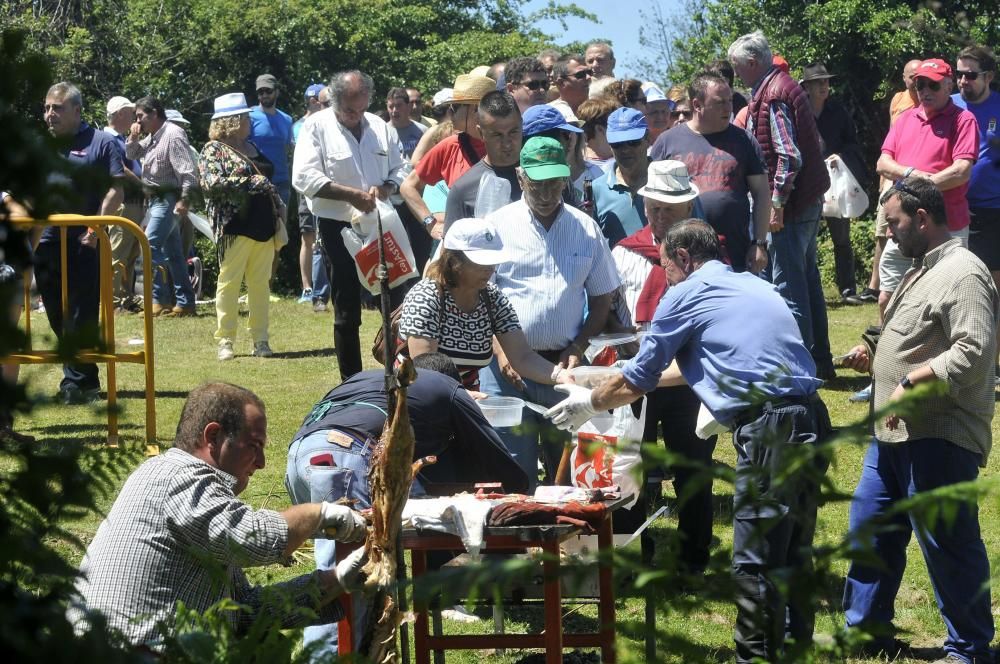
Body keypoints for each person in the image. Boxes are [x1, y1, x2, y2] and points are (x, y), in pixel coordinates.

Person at [545, 218, 830, 663]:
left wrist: (590, 404)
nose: (665, 279)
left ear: (682, 258)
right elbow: (693, 367)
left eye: (666, 268)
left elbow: (641, 376)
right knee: (792, 549)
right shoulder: (752, 285)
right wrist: (604, 384)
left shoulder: (686, 293)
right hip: (810, 415)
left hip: (770, 426)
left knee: (755, 561)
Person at [70, 382, 369, 647]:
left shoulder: (185, 492)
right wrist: (321, 513)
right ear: (212, 436)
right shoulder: (177, 477)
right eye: (254, 446)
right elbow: (252, 538)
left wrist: (337, 579)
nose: (262, 462)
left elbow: (244, 611)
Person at [840, 177, 997, 663]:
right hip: (891, 433)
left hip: (938, 434)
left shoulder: (963, 273)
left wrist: (916, 378)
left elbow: (974, 350)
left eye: (893, 223)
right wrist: (872, 352)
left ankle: (968, 648)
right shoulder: (920, 269)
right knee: (871, 529)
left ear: (922, 219)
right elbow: (913, 331)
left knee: (948, 545)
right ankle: (867, 632)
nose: (887, 234)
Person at [285, 352, 529, 654]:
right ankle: (328, 658)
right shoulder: (451, 390)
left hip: (300, 456)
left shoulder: (366, 380)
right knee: (353, 577)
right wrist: (526, 497)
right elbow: (500, 462)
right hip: (345, 459)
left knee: (338, 575)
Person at [479, 136, 620, 489]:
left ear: (565, 180)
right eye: (536, 184)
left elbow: (603, 297)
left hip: (564, 366)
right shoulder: (497, 226)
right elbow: (480, 294)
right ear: (520, 177)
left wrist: (578, 346)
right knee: (510, 464)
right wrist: (501, 348)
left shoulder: (585, 228)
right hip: (504, 370)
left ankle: (565, 541)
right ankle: (514, 540)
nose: (545, 194)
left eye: (553, 184)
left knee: (568, 467)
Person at [610, 162, 718, 573]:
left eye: (669, 211)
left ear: (689, 208)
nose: (659, 218)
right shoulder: (624, 252)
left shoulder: (708, 257)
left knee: (692, 466)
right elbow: (612, 307)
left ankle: (693, 554)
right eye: (654, 209)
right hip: (638, 369)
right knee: (628, 462)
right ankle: (633, 549)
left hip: (687, 375)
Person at [728, 30, 833, 378]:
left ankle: (797, 370)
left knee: (790, 286)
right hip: (806, 199)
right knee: (808, 281)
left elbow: (789, 156)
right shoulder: (783, 84)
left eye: (738, 66)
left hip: (793, 203)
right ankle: (820, 362)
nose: (737, 74)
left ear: (753, 63)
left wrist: (777, 202)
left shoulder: (772, 94)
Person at [292, 70, 406, 381]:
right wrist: (351, 195)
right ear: (334, 102)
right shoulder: (316, 126)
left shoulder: (381, 127)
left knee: (394, 300)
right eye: (349, 111)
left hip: (381, 223)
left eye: (361, 109)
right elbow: (303, 177)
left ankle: (398, 373)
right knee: (346, 308)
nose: (356, 117)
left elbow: (401, 169)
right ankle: (351, 382)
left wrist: (386, 188)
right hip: (337, 224)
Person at [400, 217, 571, 389]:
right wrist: (461, 397)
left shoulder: (493, 298)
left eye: (493, 260)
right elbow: (423, 372)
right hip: (418, 398)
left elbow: (522, 356)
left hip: (466, 396)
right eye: (482, 261)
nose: (491, 268)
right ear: (453, 261)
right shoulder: (425, 297)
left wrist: (560, 375)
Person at [42, 82, 124, 405]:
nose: (50, 114)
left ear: (77, 110)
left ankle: (76, 384)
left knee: (82, 312)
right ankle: (84, 379)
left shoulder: (101, 143)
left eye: (57, 108)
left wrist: (96, 226)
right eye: (47, 108)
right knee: (56, 314)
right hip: (46, 242)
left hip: (85, 241)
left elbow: (116, 190)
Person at [876, 59, 978, 317]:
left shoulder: (963, 120)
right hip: (902, 225)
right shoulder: (906, 118)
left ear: (948, 85)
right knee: (888, 296)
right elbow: (883, 163)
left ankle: (942, 356)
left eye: (932, 85)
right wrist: (912, 174)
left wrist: (921, 186)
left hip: (947, 226)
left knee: (947, 302)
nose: (925, 91)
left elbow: (961, 171)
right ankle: (890, 352)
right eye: (920, 84)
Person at [651, 71, 770, 274]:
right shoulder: (667, 141)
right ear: (697, 105)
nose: (728, 108)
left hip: (734, 253)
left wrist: (759, 243)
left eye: (729, 101)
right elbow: (652, 199)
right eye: (719, 102)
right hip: (681, 255)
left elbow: (761, 193)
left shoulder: (744, 140)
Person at [199, 93, 283, 361]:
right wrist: (250, 184)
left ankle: (261, 340)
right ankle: (226, 340)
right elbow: (211, 184)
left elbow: (267, 176)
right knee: (229, 284)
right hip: (234, 225)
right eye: (246, 117)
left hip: (264, 225)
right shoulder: (213, 150)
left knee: (260, 285)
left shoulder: (252, 147)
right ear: (232, 122)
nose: (251, 122)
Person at [800, 62, 869, 303]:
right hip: (806, 184)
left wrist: (840, 156)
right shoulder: (799, 112)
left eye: (826, 81)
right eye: (818, 82)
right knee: (806, 239)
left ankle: (848, 289)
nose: (824, 86)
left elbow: (852, 143)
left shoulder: (838, 111)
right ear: (806, 86)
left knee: (841, 237)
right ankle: (809, 288)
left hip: (835, 181)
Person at [400, 72, 495, 245]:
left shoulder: (507, 143)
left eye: (454, 108)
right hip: (463, 247)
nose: (449, 114)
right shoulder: (450, 146)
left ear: (474, 109)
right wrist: (430, 223)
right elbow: (408, 186)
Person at [126, 96, 199, 317]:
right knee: (174, 254)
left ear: (154, 113)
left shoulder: (173, 134)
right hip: (157, 200)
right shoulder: (153, 137)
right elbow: (131, 154)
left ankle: (159, 300)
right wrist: (133, 135)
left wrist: (185, 200)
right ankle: (185, 303)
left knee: (148, 247)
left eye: (141, 116)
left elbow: (188, 173)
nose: (138, 121)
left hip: (168, 199)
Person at [952, 46, 1000, 294]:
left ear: (988, 77)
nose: (962, 81)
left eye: (970, 75)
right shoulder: (949, 106)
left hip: (992, 211)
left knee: (991, 288)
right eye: (959, 74)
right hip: (951, 209)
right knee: (955, 285)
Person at [444, 91, 522, 225]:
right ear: (481, 133)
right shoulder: (463, 189)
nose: (507, 143)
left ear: (522, 125)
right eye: (497, 135)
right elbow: (452, 244)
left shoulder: (548, 177)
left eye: (513, 132)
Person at [104, 96, 146, 313]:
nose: (134, 117)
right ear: (120, 114)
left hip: (133, 202)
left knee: (130, 254)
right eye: (131, 113)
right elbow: (120, 167)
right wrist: (144, 185)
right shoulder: (108, 138)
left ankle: (125, 298)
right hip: (123, 202)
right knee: (117, 253)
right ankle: (111, 300)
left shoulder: (121, 138)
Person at [292, 83, 328, 306]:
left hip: (328, 188)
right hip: (306, 189)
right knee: (310, 238)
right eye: (321, 102)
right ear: (313, 101)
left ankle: (323, 290)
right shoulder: (300, 126)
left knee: (324, 239)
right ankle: (308, 289)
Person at [593, 107, 649, 246]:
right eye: (617, 144)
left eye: (633, 142)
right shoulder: (596, 189)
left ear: (647, 138)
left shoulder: (668, 181)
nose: (625, 149)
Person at [249, 73, 295, 207]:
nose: (264, 95)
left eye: (268, 91)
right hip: (257, 180)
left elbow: (287, 148)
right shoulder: (249, 116)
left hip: (282, 181)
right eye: (260, 92)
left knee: (281, 226)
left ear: (277, 92)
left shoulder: (287, 119)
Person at [577, 96, 620, 169]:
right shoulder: (582, 168)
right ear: (599, 129)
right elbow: (586, 181)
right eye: (616, 125)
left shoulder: (626, 158)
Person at [386, 87, 426, 161]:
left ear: (409, 106)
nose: (394, 110)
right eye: (391, 107)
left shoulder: (422, 131)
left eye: (399, 106)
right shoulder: (382, 132)